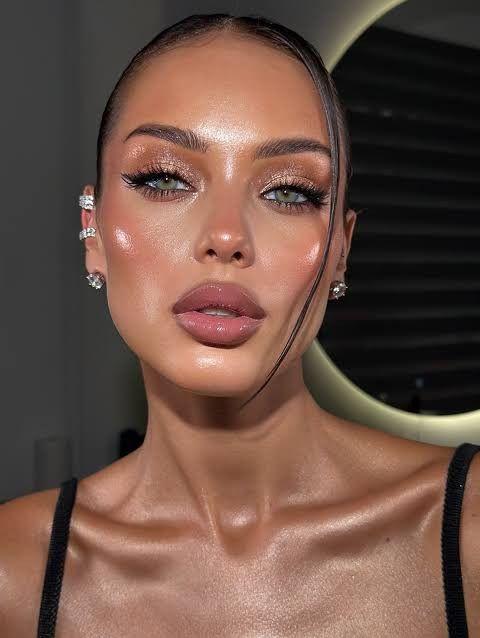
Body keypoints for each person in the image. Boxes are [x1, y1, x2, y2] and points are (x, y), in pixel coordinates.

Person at [1, 13, 479, 637]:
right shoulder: (15, 573)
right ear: (93, 230)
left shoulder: (468, 532)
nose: (226, 236)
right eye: (164, 179)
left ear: (341, 249)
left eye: (289, 192)